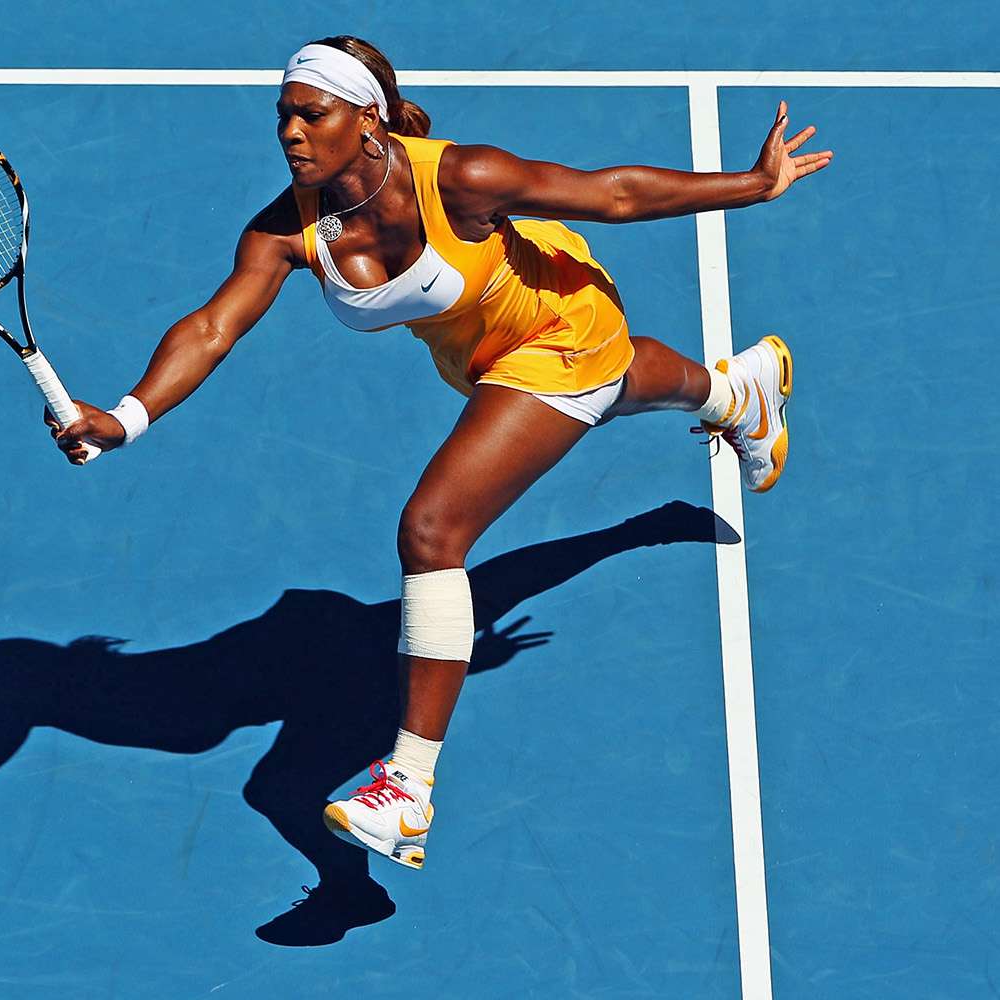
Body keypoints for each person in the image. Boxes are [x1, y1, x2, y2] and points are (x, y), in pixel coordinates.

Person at [45, 36, 831, 871]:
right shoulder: (286, 230)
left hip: (555, 327)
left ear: (368, 120)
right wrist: (127, 417)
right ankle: (734, 393)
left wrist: (756, 183)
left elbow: (615, 195)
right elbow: (213, 326)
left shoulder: (461, 177)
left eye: (312, 115)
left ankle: (408, 786)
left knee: (432, 530)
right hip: (480, 357)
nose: (292, 134)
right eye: (284, 117)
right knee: (615, 389)